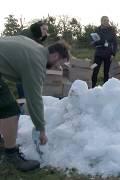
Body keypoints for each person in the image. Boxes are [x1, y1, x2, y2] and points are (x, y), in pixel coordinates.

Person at [0, 35, 70, 172]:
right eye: (60, 63)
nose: (58, 67)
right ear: (55, 55)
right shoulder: (37, 61)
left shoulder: (34, 46)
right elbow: (34, 99)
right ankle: (10, 155)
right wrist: (41, 129)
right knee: (10, 110)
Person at [17, 21, 49, 99]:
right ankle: (23, 103)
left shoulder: (36, 36)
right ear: (38, 28)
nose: (46, 32)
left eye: (47, 30)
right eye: (44, 29)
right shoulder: (27, 34)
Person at [91, 16, 118, 88]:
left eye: (107, 20)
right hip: (98, 54)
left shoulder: (111, 30)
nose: (106, 22)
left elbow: (115, 43)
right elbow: (93, 42)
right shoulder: (97, 30)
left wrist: (113, 54)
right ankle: (92, 87)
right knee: (94, 71)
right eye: (104, 20)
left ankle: (105, 89)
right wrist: (95, 42)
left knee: (106, 73)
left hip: (108, 54)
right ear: (101, 21)